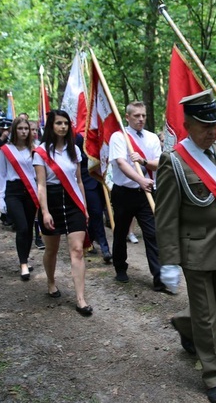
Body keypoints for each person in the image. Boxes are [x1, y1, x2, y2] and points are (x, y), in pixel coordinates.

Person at [155, 90, 216, 403]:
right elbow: (166, 216)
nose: (212, 131)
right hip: (195, 251)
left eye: (214, 124)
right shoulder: (174, 161)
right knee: (207, 316)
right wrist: (168, 262)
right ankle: (214, 376)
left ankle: (186, 324)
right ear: (187, 125)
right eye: (204, 126)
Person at [33, 110, 92, 316]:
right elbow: (41, 185)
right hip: (52, 201)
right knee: (52, 249)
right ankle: (51, 282)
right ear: (51, 126)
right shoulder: (40, 152)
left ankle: (80, 299)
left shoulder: (74, 149)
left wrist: (84, 207)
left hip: (73, 202)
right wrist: (45, 211)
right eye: (59, 123)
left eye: (66, 123)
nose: (63, 127)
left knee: (77, 250)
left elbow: (78, 180)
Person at [108, 101, 164, 290]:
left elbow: (159, 163)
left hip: (146, 193)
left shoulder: (152, 138)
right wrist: (139, 179)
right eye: (136, 116)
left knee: (152, 233)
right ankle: (120, 268)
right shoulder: (118, 137)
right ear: (127, 117)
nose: (141, 119)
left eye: (143, 116)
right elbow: (122, 164)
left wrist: (144, 161)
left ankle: (159, 277)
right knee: (121, 231)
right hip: (124, 192)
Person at [0, 117, 39, 281]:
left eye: (26, 129)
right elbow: (0, 175)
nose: (23, 131)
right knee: (21, 227)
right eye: (20, 128)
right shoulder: (5, 150)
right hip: (13, 192)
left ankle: (25, 259)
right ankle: (22, 264)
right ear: (14, 130)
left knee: (29, 228)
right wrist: (0, 199)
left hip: (30, 191)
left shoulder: (34, 149)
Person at [75, 132, 111, 263]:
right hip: (87, 180)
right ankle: (105, 247)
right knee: (96, 213)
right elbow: (77, 159)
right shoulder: (79, 137)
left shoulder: (103, 130)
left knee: (99, 211)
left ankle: (88, 239)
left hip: (102, 180)